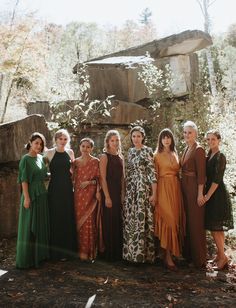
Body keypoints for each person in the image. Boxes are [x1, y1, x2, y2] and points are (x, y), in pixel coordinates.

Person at [123, 126, 157, 263]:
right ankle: (130, 254)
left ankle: (142, 255)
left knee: (141, 219)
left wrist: (154, 193)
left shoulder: (147, 150)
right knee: (131, 220)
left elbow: (152, 172)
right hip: (131, 189)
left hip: (143, 187)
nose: (136, 139)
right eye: (133, 136)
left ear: (143, 137)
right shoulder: (130, 152)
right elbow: (128, 173)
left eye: (138, 136)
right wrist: (125, 191)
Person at [16, 132, 50, 269]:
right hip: (30, 195)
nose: (39, 146)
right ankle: (27, 259)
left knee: (40, 224)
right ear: (30, 143)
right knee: (29, 226)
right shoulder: (25, 159)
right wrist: (27, 198)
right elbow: (24, 180)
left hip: (41, 194)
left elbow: (43, 175)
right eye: (36, 143)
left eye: (41, 144)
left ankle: (39, 257)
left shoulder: (41, 158)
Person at [154, 128, 185, 270]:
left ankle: (170, 254)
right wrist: (154, 194)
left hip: (175, 189)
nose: (166, 140)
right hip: (163, 189)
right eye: (164, 138)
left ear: (172, 140)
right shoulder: (156, 155)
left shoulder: (175, 153)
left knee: (176, 220)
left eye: (169, 138)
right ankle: (167, 257)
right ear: (160, 140)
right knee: (169, 221)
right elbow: (153, 177)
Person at [203, 130, 234, 270]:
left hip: (217, 194)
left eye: (213, 139)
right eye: (208, 139)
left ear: (219, 140)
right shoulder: (209, 155)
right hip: (211, 193)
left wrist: (207, 196)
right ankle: (220, 254)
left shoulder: (220, 156)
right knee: (215, 228)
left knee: (216, 228)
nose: (210, 142)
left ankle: (223, 258)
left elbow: (217, 179)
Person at [44, 129, 76, 260]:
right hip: (55, 189)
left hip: (68, 189)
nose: (63, 141)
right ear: (56, 139)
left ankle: (67, 252)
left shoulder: (70, 152)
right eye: (60, 139)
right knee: (55, 217)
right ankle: (54, 253)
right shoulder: (49, 153)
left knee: (66, 217)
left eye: (65, 139)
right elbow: (43, 171)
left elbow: (73, 171)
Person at [180, 121, 206, 268]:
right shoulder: (186, 148)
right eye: (185, 132)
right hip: (185, 187)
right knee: (188, 222)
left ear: (195, 133)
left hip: (195, 189)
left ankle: (199, 259)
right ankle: (189, 256)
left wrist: (200, 194)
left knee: (196, 223)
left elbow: (202, 174)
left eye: (189, 132)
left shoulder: (199, 149)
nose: (187, 135)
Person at [73, 138, 101, 261]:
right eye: (83, 146)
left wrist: (89, 182)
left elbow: (99, 180)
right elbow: (70, 178)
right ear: (79, 147)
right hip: (78, 197)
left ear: (92, 148)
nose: (85, 149)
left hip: (90, 197)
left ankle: (89, 253)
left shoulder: (96, 162)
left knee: (89, 222)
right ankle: (79, 252)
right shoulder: (75, 162)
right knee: (78, 222)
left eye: (88, 147)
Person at [99, 130, 124, 261]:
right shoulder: (104, 157)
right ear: (108, 142)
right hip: (108, 192)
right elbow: (102, 178)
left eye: (117, 140)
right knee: (108, 221)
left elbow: (122, 179)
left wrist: (123, 195)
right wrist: (107, 196)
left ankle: (117, 253)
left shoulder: (121, 157)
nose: (115, 143)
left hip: (118, 192)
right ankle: (108, 254)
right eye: (112, 140)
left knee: (117, 221)